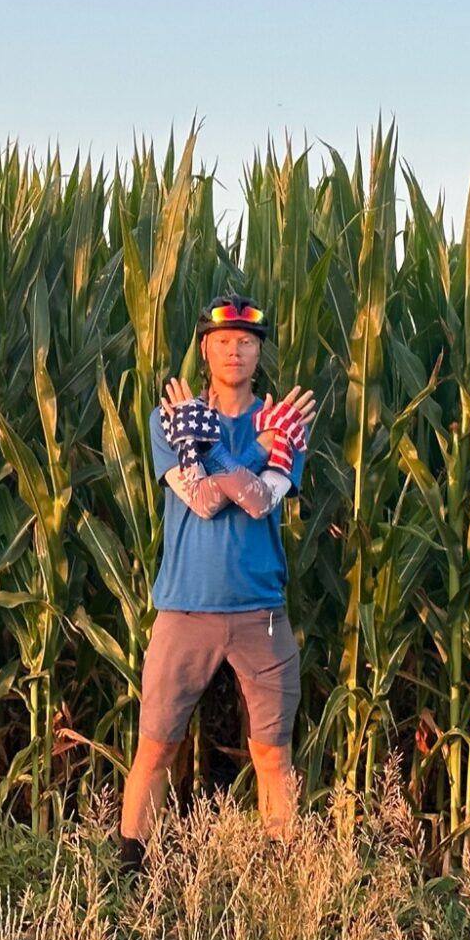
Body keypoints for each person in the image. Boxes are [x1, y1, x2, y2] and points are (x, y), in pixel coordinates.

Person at [116, 292, 315, 874]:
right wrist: (252, 449)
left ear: (258, 352)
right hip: (184, 609)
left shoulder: (283, 425)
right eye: (224, 340)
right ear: (206, 349)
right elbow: (202, 503)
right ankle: (131, 875)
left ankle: (284, 886)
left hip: (261, 612)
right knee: (156, 745)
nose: (236, 350)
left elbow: (258, 504)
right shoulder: (169, 420)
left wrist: (218, 448)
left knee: (272, 754)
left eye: (247, 341)